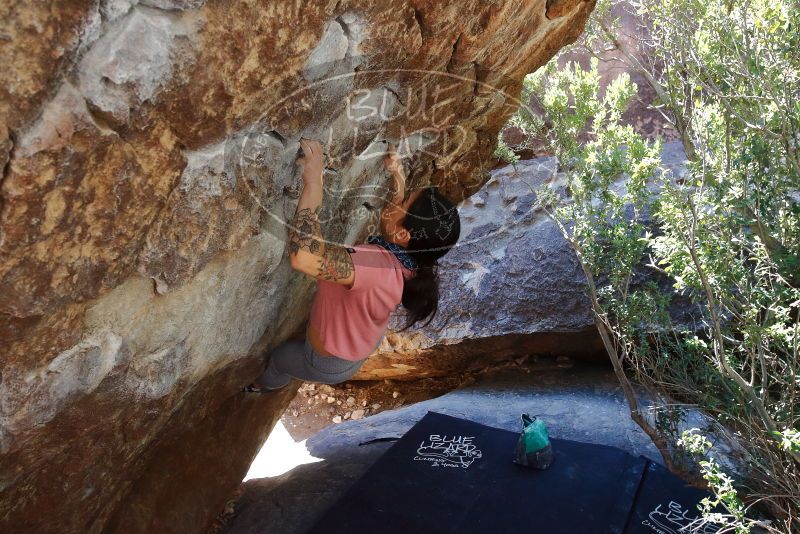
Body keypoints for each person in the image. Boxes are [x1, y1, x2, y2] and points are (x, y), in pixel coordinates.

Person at [244, 138, 461, 393]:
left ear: (404, 236)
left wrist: (314, 182)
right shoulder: (413, 261)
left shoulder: (375, 266)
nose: (397, 201)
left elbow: (304, 256)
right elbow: (399, 226)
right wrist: (397, 176)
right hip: (358, 343)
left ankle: (263, 386)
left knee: (281, 359)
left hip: (327, 363)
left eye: (403, 203)